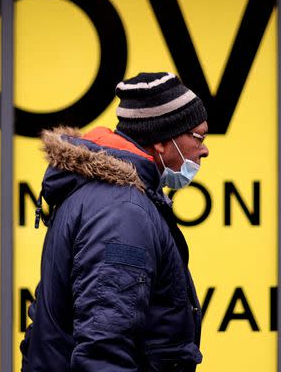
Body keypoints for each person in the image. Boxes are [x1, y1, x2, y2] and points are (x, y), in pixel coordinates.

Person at [21, 72, 209, 372]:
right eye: (198, 137)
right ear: (162, 140)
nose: (204, 149)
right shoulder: (121, 212)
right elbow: (104, 346)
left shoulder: (107, 196)